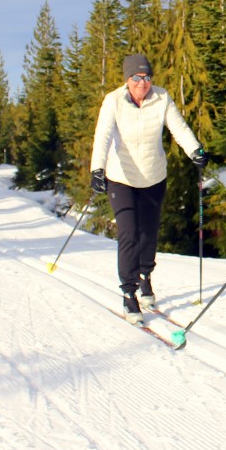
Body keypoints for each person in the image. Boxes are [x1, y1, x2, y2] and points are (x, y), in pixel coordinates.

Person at [91, 53, 208, 324]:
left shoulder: (162, 98)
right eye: (136, 77)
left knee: (149, 233)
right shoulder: (113, 101)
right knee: (129, 233)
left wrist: (195, 151)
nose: (142, 83)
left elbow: (178, 127)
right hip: (121, 177)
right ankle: (129, 292)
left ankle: (145, 276)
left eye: (146, 77)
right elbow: (103, 135)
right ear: (127, 79)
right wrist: (96, 169)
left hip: (154, 176)